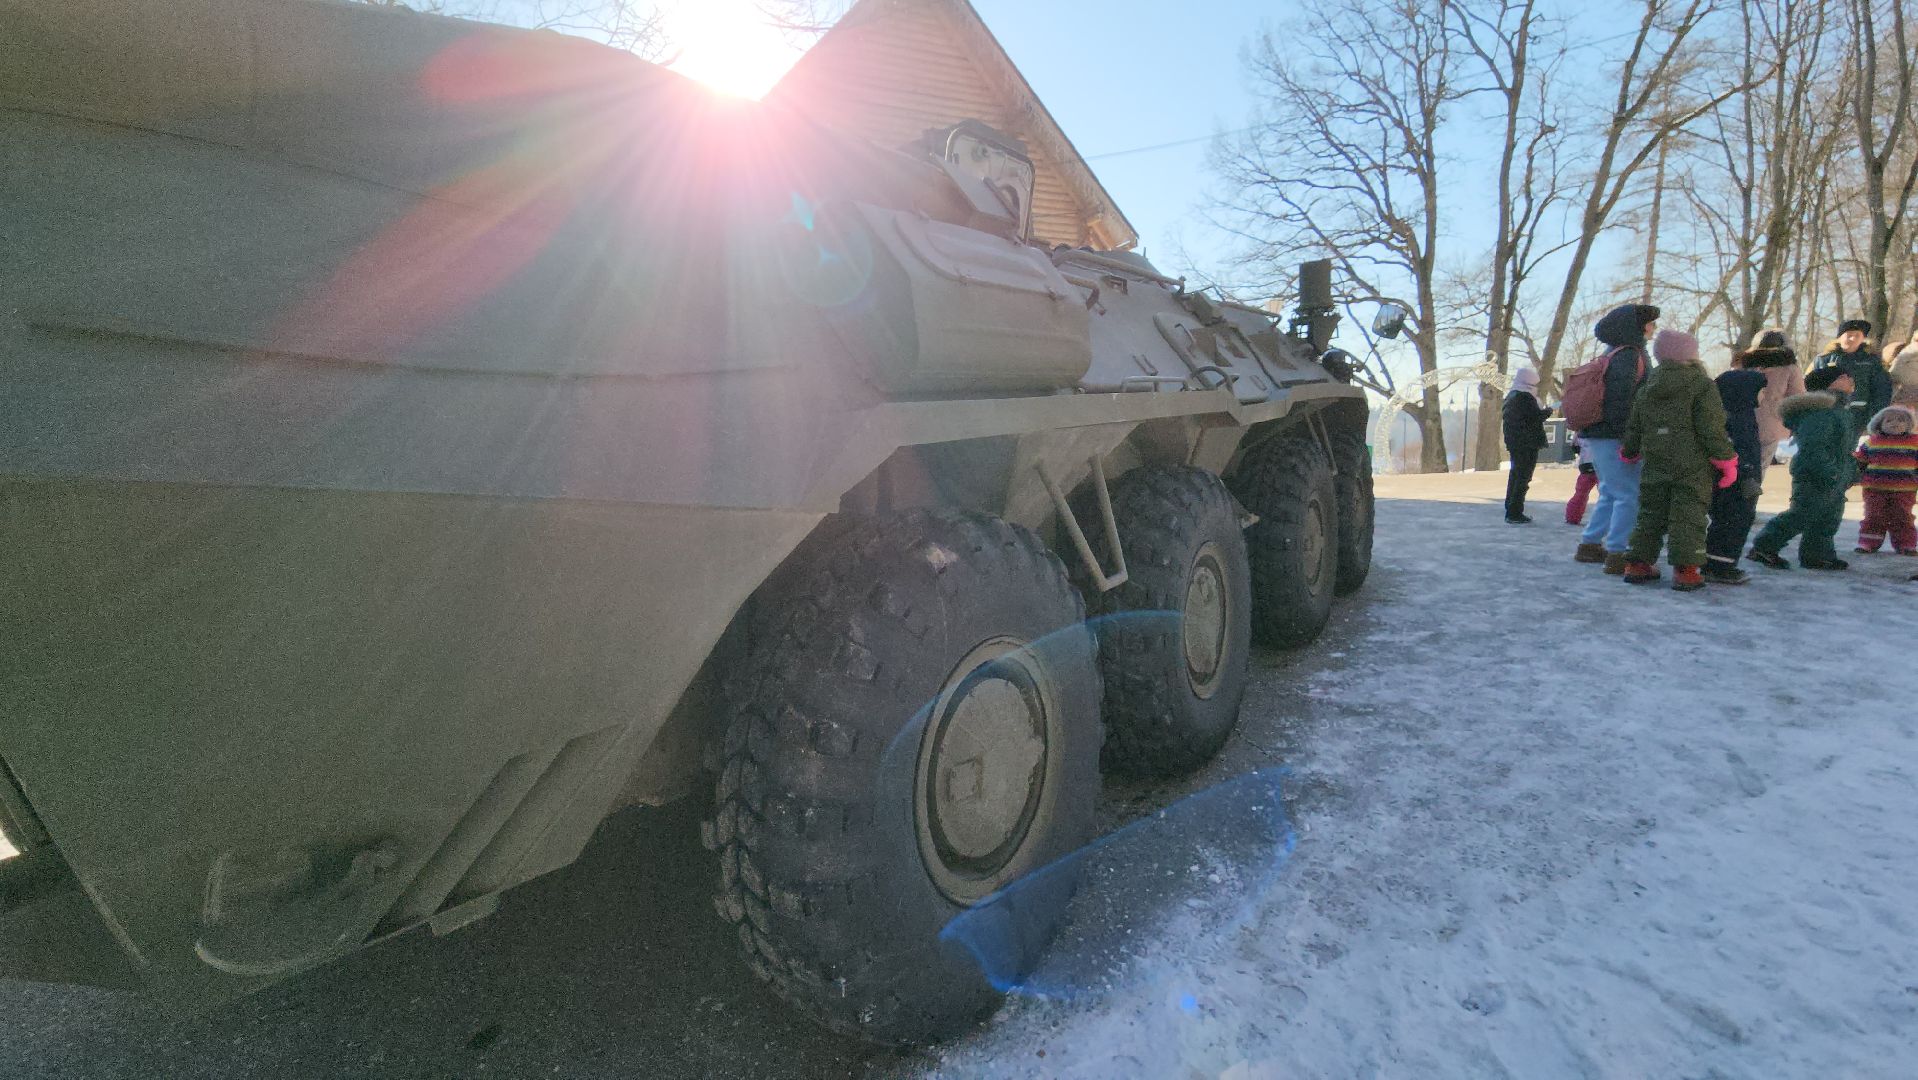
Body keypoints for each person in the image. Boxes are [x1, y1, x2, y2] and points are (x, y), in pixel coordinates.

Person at [1618, 330, 1738, 592]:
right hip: (1692, 465)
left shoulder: (1648, 386)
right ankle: (1686, 571)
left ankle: (1637, 564)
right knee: (1689, 514)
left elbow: (1635, 425)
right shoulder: (1702, 385)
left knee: (1651, 513)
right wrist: (1726, 459)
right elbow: (1711, 427)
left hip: (1656, 460)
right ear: (1691, 354)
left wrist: (1630, 450)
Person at [1573, 303, 1660, 574]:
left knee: (1611, 492)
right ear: (1638, 326)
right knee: (1628, 494)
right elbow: (1624, 401)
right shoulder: (1630, 356)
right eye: (1650, 323)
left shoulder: (1614, 353)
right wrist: (1630, 437)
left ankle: (1590, 544)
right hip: (1616, 434)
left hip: (1600, 434)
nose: (1654, 328)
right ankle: (1619, 553)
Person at [1748, 366, 1858, 571]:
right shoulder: (1820, 412)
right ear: (1829, 383)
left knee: (1829, 517)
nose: (1850, 379)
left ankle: (1817, 554)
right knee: (1802, 514)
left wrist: (1850, 470)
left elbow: (1843, 449)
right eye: (1844, 376)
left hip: (1836, 473)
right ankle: (1764, 546)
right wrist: (1829, 470)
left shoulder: (1839, 411)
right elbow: (1813, 447)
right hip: (1815, 473)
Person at [1703, 352, 1769, 584]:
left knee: (1732, 520)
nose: (1764, 396)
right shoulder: (1735, 417)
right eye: (1761, 391)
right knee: (1732, 521)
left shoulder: (1743, 414)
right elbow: (1736, 448)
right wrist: (1747, 472)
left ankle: (1718, 561)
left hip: (1740, 478)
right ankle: (1719, 564)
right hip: (1735, 480)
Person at [1851, 405, 1918, 554]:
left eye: (1901, 420)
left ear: (1909, 424)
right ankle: (1868, 542)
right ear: (1878, 424)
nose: (1895, 423)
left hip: (1904, 490)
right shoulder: (1872, 441)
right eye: (1889, 421)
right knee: (1873, 515)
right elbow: (1861, 461)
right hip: (1875, 489)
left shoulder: (1915, 442)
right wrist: (1855, 472)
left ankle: (1906, 544)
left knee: (1903, 516)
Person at [1734, 328, 1804, 467]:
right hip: (1772, 426)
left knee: (1742, 468)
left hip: (1741, 424)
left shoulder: (1742, 366)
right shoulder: (1789, 368)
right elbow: (1797, 400)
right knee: (1759, 468)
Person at [1814, 319, 1892, 438]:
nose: (1853, 339)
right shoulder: (1824, 359)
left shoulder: (1871, 361)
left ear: (1863, 339)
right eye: (1849, 335)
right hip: (1829, 414)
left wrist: (1875, 415)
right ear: (1840, 337)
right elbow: (1813, 388)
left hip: (1860, 416)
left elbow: (1882, 390)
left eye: (1857, 336)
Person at [1501, 367, 1550, 523]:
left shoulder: (1511, 396)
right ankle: (1515, 511)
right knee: (1523, 477)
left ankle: (1510, 505)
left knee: (1515, 474)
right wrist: (1547, 411)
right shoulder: (1526, 397)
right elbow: (1534, 418)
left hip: (1515, 442)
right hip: (1527, 442)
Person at [1565, 437, 1598, 525]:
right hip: (1603, 463)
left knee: (1581, 493)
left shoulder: (1580, 430)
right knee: (1607, 495)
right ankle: (1607, 519)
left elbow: (1574, 447)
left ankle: (1572, 517)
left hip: (1586, 464)